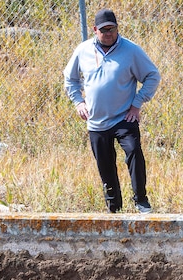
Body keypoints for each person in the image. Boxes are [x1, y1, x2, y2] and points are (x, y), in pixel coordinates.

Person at [64, 8, 161, 213]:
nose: (108, 33)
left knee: (134, 152)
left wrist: (137, 104)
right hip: (96, 121)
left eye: (112, 29)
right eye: (104, 30)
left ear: (118, 28)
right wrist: (79, 103)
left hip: (124, 117)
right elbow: (70, 79)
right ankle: (113, 208)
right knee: (105, 165)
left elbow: (152, 76)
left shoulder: (131, 50)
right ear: (95, 30)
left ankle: (141, 200)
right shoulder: (83, 50)